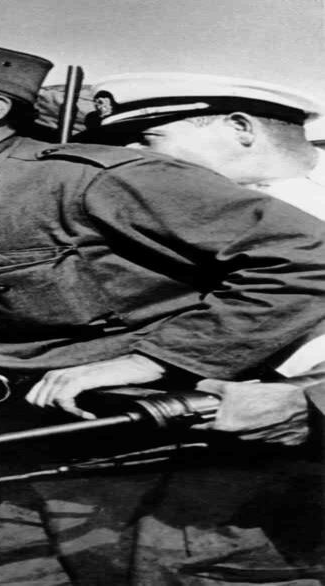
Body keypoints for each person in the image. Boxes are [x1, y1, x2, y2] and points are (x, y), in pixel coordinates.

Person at [0, 39, 325, 584]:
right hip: (15, 462)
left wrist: (154, 360)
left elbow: (309, 259)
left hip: (167, 461)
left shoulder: (96, 179)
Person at [78, 72, 325, 584]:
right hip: (236, 478)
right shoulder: (155, 222)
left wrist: (313, 404)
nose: (127, 158)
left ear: (240, 127)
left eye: (146, 140)